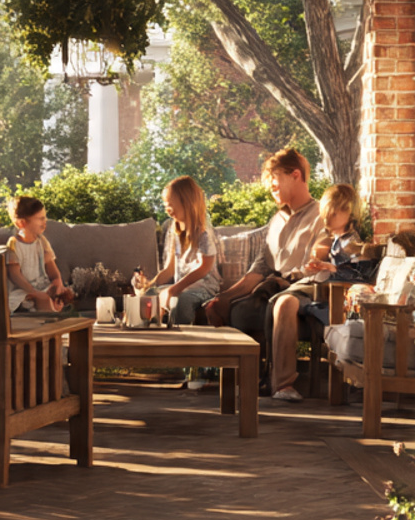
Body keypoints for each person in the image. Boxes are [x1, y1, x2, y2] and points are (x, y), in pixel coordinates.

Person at [201, 147, 323, 390]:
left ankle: (283, 384)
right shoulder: (276, 220)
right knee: (232, 308)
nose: (270, 188)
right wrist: (224, 297)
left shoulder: (321, 215)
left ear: (295, 175)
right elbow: (260, 268)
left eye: (274, 180)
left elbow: (321, 266)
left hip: (306, 291)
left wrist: (290, 281)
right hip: (273, 287)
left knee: (281, 303)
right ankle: (242, 382)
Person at [266, 182, 376, 402]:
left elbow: (360, 277)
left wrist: (330, 267)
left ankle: (281, 383)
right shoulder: (334, 239)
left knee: (283, 302)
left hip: (334, 298)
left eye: (334, 213)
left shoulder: (354, 243)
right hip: (320, 289)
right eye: (325, 213)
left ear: (350, 213)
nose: (327, 219)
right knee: (280, 300)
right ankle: (277, 381)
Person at [136, 175, 223, 325]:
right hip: (181, 288)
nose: (167, 209)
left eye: (171, 204)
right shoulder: (174, 230)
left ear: (186, 203)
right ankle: (149, 337)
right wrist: (149, 285)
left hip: (204, 288)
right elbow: (170, 269)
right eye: (165, 205)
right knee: (149, 295)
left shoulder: (203, 233)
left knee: (180, 302)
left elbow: (204, 269)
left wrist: (174, 289)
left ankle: (181, 341)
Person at [5, 195, 75, 313]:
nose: (45, 222)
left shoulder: (42, 242)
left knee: (66, 295)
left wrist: (57, 282)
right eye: (40, 218)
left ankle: (55, 311)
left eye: (45, 218)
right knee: (45, 300)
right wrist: (34, 292)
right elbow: (15, 276)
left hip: (43, 286)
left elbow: (52, 269)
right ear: (22, 223)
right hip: (24, 289)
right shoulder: (14, 244)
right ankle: (50, 317)